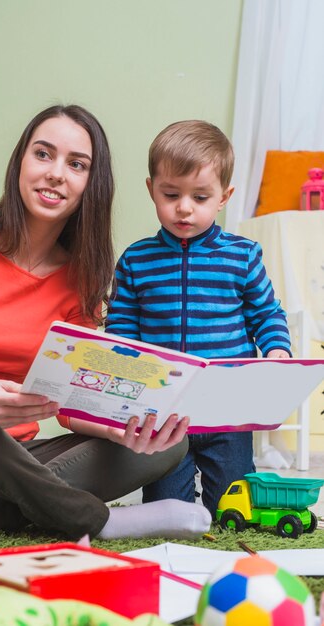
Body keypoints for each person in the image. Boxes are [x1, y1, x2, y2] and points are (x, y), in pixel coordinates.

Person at [0, 105, 212, 541]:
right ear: (21, 164)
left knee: (165, 446)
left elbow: (72, 402)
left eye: (76, 164)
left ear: (91, 184)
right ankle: (98, 521)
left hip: (13, 458)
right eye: (43, 154)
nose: (56, 173)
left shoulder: (79, 279)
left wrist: (123, 426)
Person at [105, 119, 292, 517]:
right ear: (151, 189)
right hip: (163, 412)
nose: (184, 207)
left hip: (228, 408)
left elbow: (266, 312)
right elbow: (120, 326)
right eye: (170, 194)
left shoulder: (242, 255)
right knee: (165, 510)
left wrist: (276, 349)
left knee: (234, 507)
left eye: (200, 197)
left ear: (223, 197)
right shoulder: (137, 260)